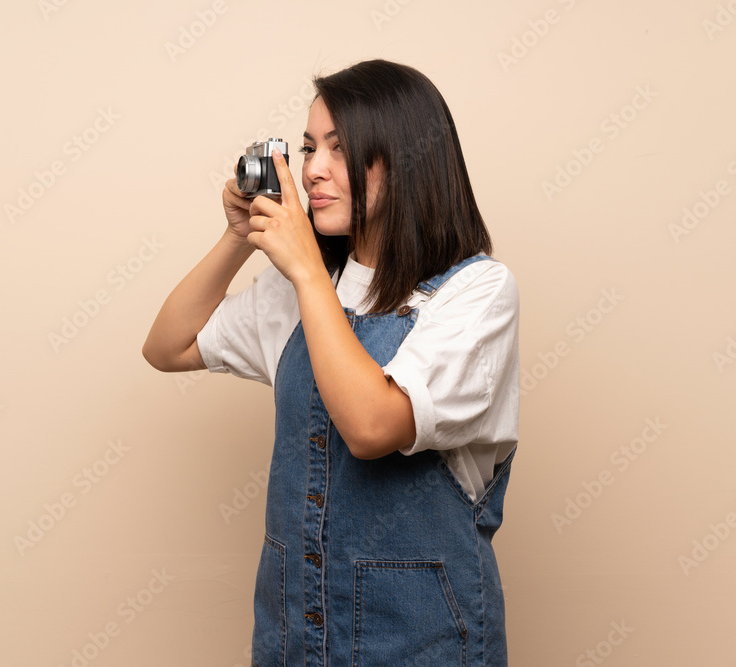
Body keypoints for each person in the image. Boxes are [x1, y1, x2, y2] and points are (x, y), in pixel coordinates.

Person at [143, 58, 520, 667]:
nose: (313, 170)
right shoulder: (305, 283)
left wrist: (306, 271)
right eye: (309, 147)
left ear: (405, 160)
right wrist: (239, 236)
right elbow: (168, 346)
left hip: (423, 647)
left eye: (341, 151)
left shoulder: (476, 294)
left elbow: (373, 427)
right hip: (296, 639)